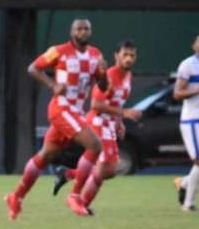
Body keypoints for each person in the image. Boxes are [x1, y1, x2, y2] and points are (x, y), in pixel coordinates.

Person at [6, 19, 108, 219]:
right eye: (79, 28)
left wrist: (104, 72)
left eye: (87, 28)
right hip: (61, 108)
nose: (83, 31)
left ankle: (16, 196)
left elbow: (103, 87)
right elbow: (33, 68)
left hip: (75, 111)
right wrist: (52, 85)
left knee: (45, 156)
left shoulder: (96, 55)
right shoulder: (58, 51)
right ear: (71, 32)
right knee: (95, 146)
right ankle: (75, 196)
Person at [53, 41, 141, 210]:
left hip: (109, 123)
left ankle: (70, 176)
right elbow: (95, 105)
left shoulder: (128, 76)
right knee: (108, 168)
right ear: (116, 56)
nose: (129, 59)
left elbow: (116, 102)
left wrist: (119, 121)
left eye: (132, 55)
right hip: (98, 122)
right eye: (125, 55)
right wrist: (124, 113)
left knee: (109, 170)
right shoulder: (108, 76)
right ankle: (78, 200)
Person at [172, 34, 199, 212]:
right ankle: (188, 204)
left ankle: (184, 182)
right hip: (192, 119)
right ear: (194, 45)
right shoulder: (188, 64)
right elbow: (177, 93)